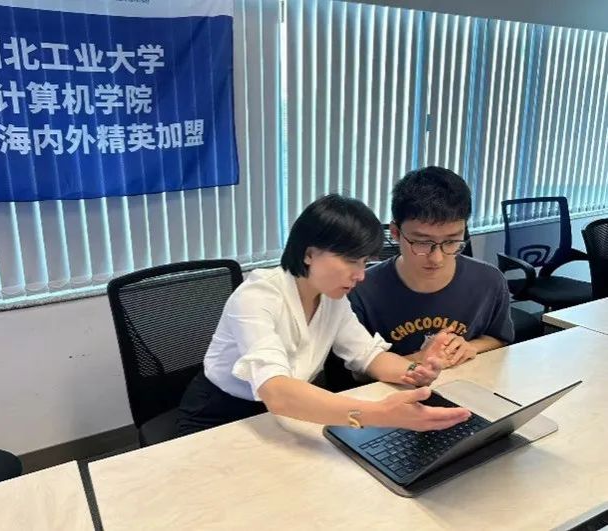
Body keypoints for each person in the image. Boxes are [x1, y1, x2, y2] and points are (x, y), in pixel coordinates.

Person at [176, 194, 470, 437]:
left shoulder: (331, 297)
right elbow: (276, 391)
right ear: (309, 254)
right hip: (221, 416)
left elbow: (367, 356)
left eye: (364, 262)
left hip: (290, 411)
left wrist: (415, 371)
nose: (360, 275)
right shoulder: (257, 296)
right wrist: (377, 414)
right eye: (351, 261)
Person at [349, 166, 514, 369]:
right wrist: (420, 358)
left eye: (451, 241)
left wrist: (470, 347)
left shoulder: (489, 281)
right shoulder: (360, 290)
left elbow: (499, 339)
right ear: (395, 233)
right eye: (422, 242)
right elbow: (355, 374)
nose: (437, 258)